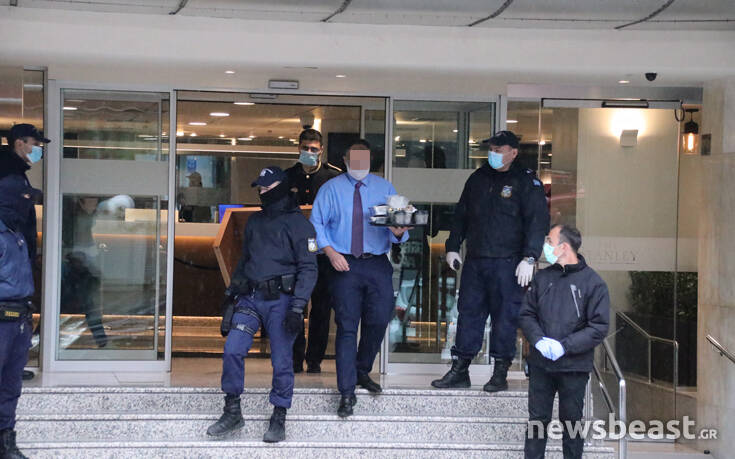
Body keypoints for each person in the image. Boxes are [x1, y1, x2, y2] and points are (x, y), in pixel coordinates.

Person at [432, 130, 549, 392]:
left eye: (498, 149)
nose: (493, 154)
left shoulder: (525, 181)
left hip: (509, 263)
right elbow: (461, 215)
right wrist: (452, 247)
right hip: (476, 260)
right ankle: (460, 369)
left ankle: (500, 372)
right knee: (468, 313)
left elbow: (537, 222)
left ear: (513, 152)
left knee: (505, 317)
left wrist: (530, 257)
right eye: (491, 149)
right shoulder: (478, 178)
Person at [206, 166, 317, 443]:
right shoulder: (254, 221)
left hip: (282, 302)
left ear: (282, 187)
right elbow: (245, 261)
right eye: (261, 188)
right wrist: (231, 293)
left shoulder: (300, 225)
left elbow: (309, 269)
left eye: (268, 188)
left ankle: (279, 415)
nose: (263, 192)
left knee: (282, 361)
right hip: (251, 298)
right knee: (232, 350)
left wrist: (298, 307)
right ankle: (232, 411)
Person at [310, 139, 410, 418]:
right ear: (345, 160)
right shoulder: (331, 189)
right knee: (347, 326)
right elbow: (316, 224)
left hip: (376, 262)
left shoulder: (384, 188)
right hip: (343, 264)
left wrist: (399, 231)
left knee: (379, 318)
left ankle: (361, 370)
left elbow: (398, 229)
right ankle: (346, 392)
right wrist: (330, 253)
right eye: (354, 160)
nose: (359, 165)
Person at [519, 225, 610, 459]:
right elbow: (526, 314)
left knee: (572, 424)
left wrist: (565, 346)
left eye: (550, 241)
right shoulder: (542, 278)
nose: (546, 246)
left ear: (564, 247)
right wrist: (538, 340)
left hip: (574, 366)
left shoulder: (593, 283)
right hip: (541, 365)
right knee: (537, 421)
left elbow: (598, 327)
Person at [0, 123, 49, 459]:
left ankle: (6, 441)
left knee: (10, 384)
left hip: (18, 312)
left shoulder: (16, 237)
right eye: (34, 144)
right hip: (4, 314)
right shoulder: (10, 177)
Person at [285, 128, 342, 374]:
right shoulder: (288, 177)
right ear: (298, 148)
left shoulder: (333, 177)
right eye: (305, 148)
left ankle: (315, 359)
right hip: (295, 253)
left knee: (321, 308)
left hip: (323, 252)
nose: (309, 152)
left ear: (321, 150)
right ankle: (295, 358)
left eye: (313, 149)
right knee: (294, 305)